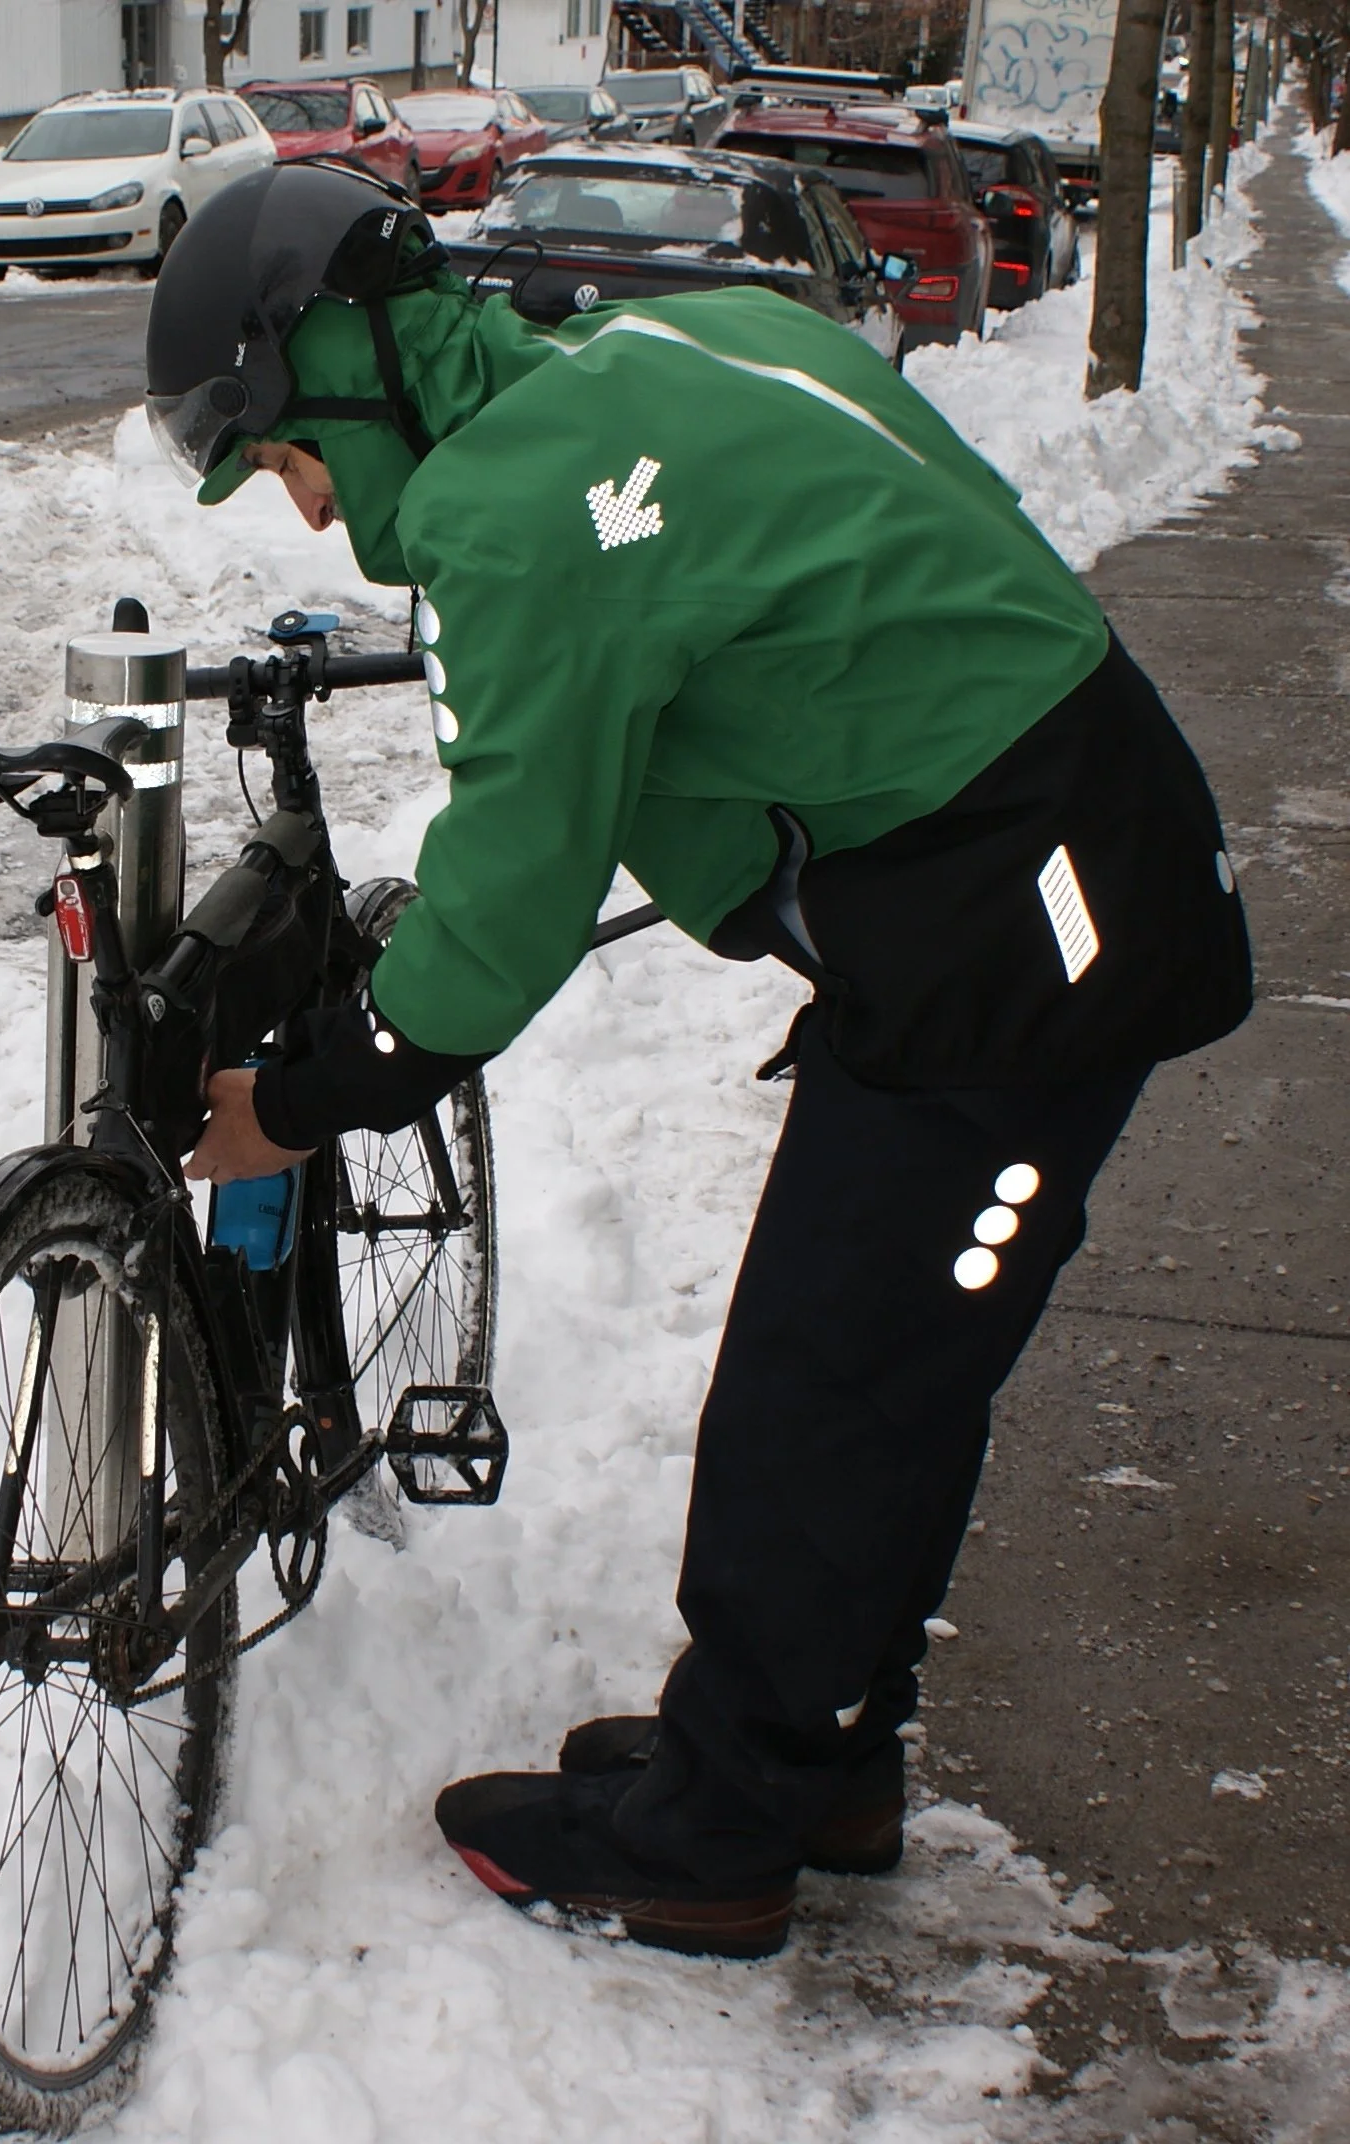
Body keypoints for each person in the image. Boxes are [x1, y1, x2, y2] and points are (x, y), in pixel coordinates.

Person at [146, 161, 1252, 1958]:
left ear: (333, 365)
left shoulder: (516, 510)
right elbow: (877, 533)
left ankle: (720, 1836)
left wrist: (297, 1103)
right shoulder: (674, 344)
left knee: (833, 1383)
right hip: (1042, 870)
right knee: (873, 1365)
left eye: (279, 454)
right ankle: (807, 1753)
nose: (303, 504)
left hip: (1025, 940)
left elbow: (497, 914)